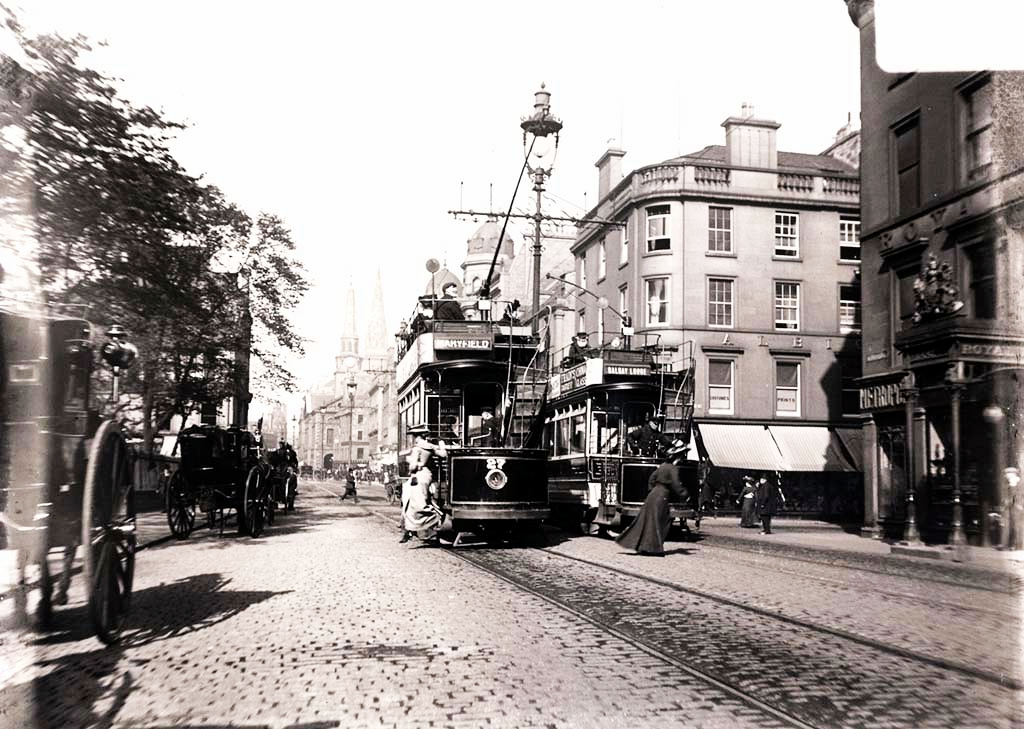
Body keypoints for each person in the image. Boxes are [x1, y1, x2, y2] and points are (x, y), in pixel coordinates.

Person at [616, 445, 687, 556]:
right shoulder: (673, 468)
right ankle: (653, 548)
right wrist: (684, 495)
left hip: (653, 495)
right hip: (662, 496)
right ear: (677, 457)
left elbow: (651, 479)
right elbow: (676, 484)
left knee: (647, 521)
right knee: (662, 521)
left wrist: (653, 491)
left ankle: (643, 546)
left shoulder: (662, 466)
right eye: (681, 456)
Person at [400, 426, 447, 543]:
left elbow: (413, 466)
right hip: (427, 475)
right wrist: (442, 443)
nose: (414, 439)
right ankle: (410, 530)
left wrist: (410, 461)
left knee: (415, 504)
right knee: (417, 501)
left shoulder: (417, 448)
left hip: (418, 476)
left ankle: (436, 519)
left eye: (414, 436)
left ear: (417, 437)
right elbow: (443, 454)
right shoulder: (430, 446)